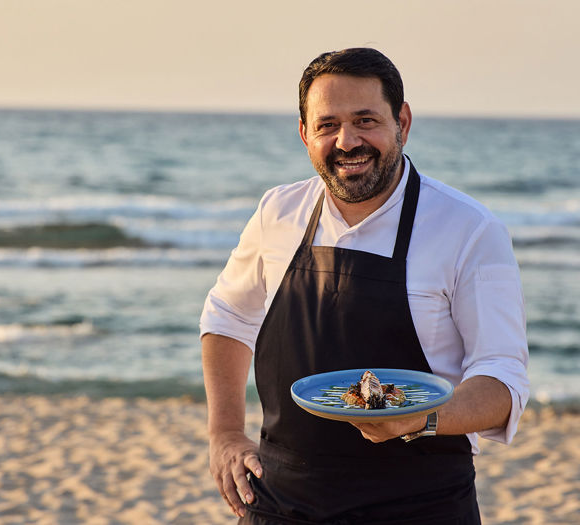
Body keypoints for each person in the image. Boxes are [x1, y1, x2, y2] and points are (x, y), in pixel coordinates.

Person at [200, 47, 529, 524]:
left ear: (403, 122)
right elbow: (228, 316)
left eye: (366, 121)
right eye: (327, 125)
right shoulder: (278, 212)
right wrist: (225, 432)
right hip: (279, 502)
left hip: (419, 505)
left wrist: (422, 418)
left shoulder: (469, 229)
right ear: (304, 133)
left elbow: (504, 380)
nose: (347, 141)